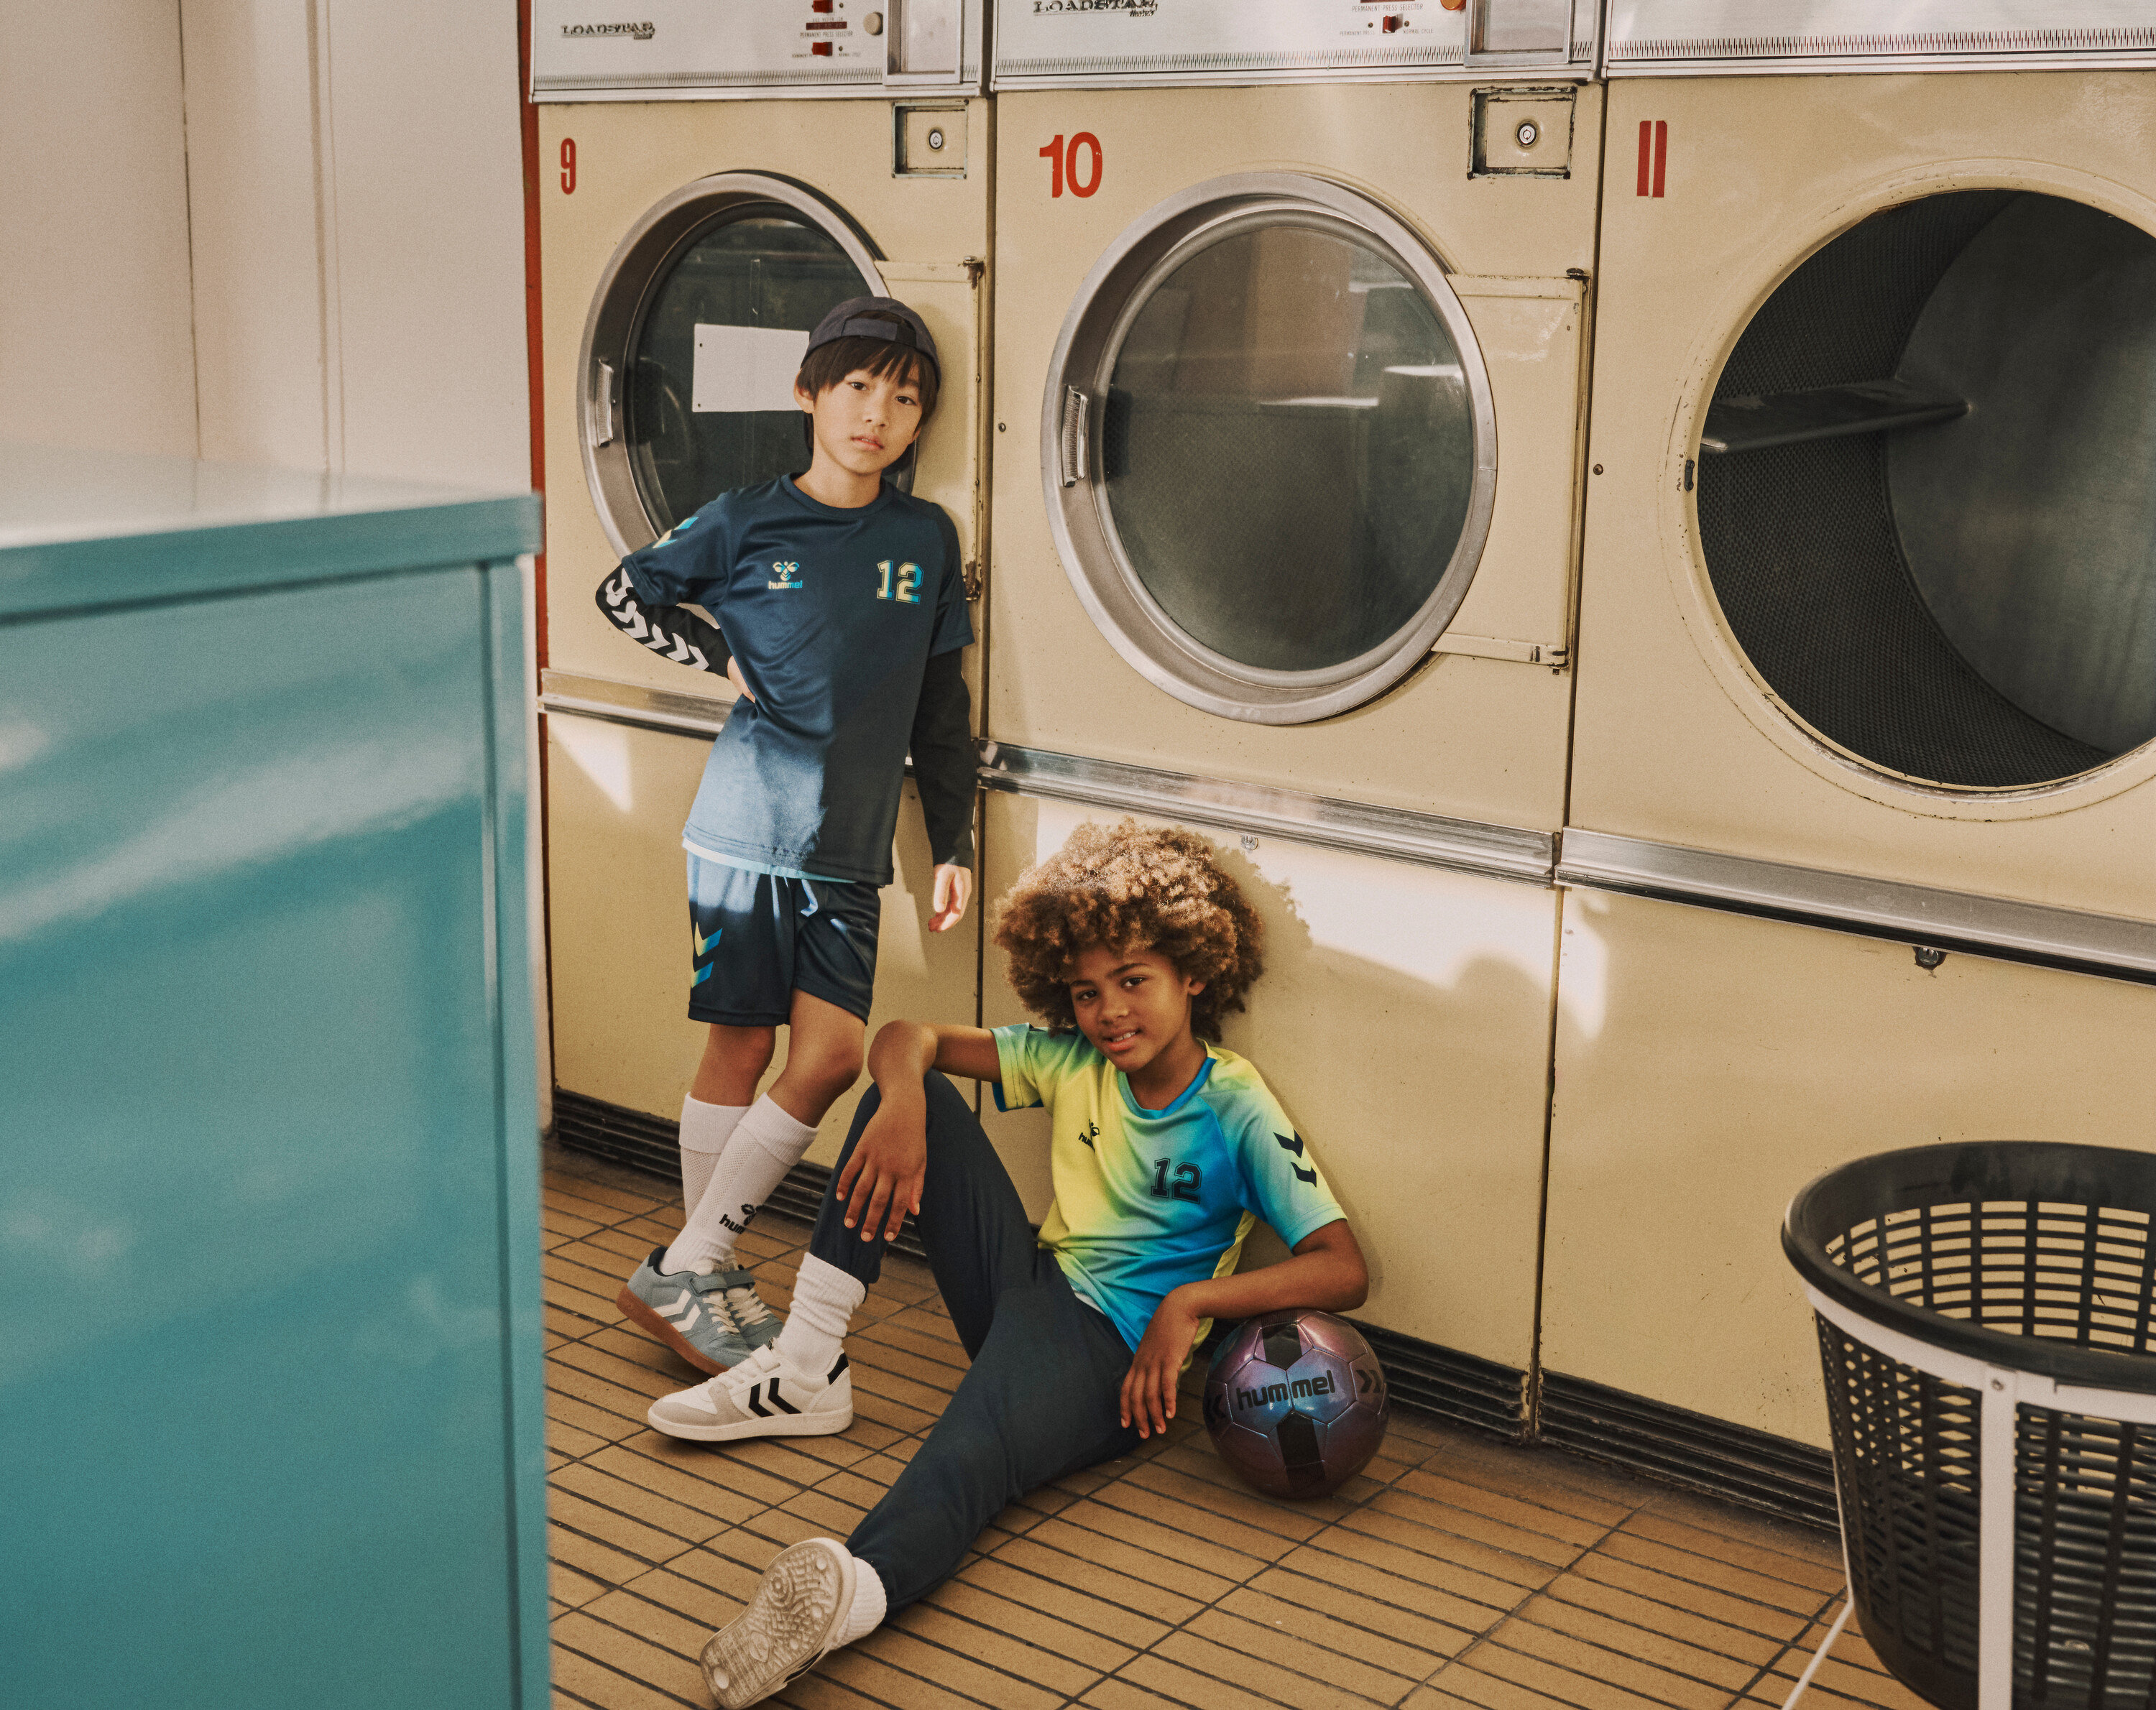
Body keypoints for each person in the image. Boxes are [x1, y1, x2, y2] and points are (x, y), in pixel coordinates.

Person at [645, 821, 1369, 1709]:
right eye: (1087, 992)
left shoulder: (1234, 1102)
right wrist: (906, 1099)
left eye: (1134, 982)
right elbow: (907, 1035)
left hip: (1109, 1358)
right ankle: (806, 1365)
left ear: (1195, 972)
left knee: (970, 1455)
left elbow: (1341, 1267)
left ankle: (856, 1590)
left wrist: (1190, 1304)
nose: (1110, 1012)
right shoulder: (1072, 1058)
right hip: (1029, 1286)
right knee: (900, 1093)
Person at [593, 297, 978, 1374]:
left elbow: (941, 710)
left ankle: (688, 1262)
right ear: (809, 393)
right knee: (743, 1044)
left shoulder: (925, 540)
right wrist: (716, 653)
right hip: (744, 830)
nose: (879, 415)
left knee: (834, 1057)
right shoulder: (748, 518)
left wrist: (950, 845)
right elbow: (624, 591)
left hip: (848, 850)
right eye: (858, 388)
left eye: (905, 399)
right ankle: (701, 1274)